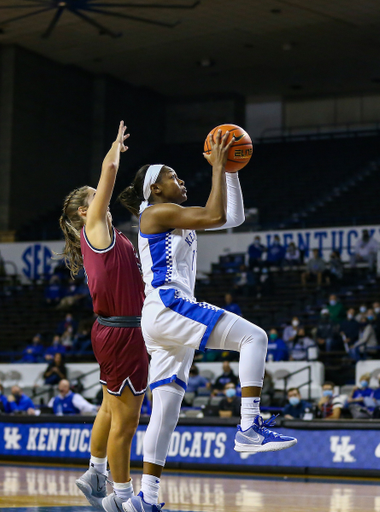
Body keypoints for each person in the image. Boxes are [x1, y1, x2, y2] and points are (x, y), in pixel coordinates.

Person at [118, 129, 296, 512]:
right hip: (170, 304)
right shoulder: (156, 213)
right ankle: (249, 426)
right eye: (172, 176)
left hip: (161, 316)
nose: (180, 180)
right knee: (255, 338)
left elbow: (232, 217)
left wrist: (230, 171)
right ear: (155, 189)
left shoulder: (172, 213)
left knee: (166, 409)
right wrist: (217, 165)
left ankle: (145, 497)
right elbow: (215, 213)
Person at [59, 122, 149, 512]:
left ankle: (95, 472)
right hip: (124, 333)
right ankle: (124, 498)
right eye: (96, 198)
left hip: (116, 331)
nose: (104, 201)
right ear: (85, 210)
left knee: (110, 408)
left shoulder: (112, 235)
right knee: (126, 423)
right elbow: (109, 174)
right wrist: (114, 149)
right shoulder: (95, 228)